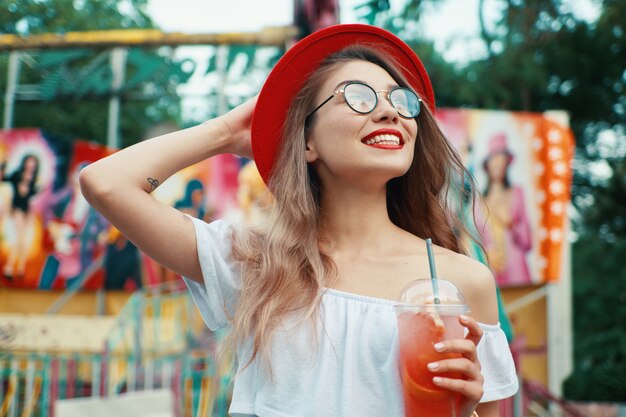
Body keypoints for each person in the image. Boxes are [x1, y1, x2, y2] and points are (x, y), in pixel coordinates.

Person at [80, 24, 517, 417]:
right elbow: (106, 183)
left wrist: (466, 412)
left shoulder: (460, 281)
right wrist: (227, 131)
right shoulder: (253, 261)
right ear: (307, 140)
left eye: (400, 100)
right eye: (357, 96)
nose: (389, 112)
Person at [481, 133, 532, 287]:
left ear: (507, 162)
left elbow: (528, 242)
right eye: (493, 158)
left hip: (517, 274)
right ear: (487, 165)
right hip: (489, 273)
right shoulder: (479, 200)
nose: (497, 163)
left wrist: (511, 225)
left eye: (501, 158)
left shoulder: (517, 193)